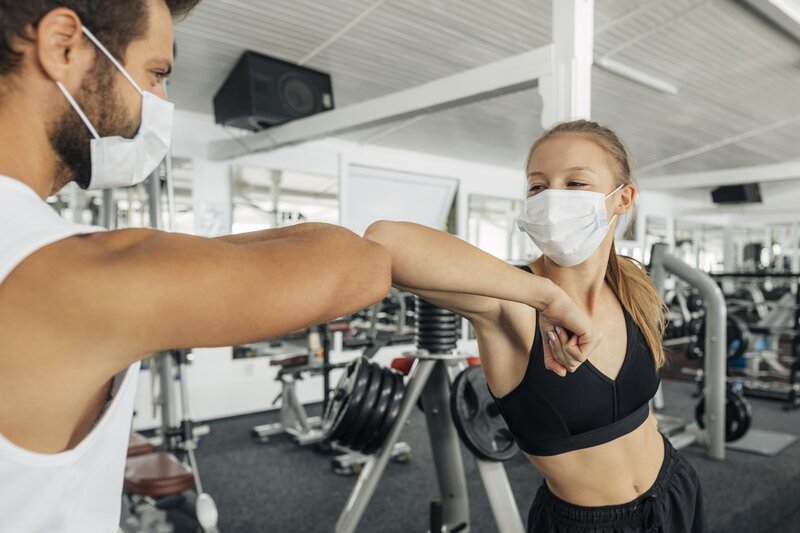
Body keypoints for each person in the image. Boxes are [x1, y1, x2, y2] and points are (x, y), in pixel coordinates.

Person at [0, 1, 391, 531]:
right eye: (156, 73)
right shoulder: (61, 272)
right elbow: (362, 264)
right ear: (63, 45)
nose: (159, 100)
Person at [365, 120, 706, 532]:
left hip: (674, 490)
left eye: (575, 183)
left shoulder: (632, 286)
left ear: (623, 198)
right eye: (538, 187)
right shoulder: (509, 305)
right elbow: (387, 242)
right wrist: (547, 297)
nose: (553, 199)